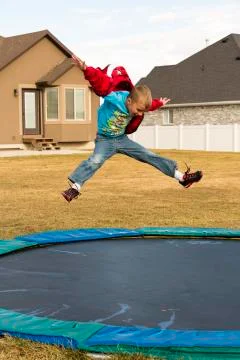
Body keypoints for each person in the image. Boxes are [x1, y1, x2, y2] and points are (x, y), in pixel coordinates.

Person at [62, 55, 203, 202]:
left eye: (142, 111)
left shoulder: (137, 103)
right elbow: (100, 83)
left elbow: (149, 106)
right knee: (95, 161)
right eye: (138, 110)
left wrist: (159, 103)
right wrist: (85, 69)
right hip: (105, 140)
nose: (139, 114)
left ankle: (182, 178)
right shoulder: (114, 97)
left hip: (121, 139)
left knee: (148, 155)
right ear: (129, 101)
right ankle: (75, 187)